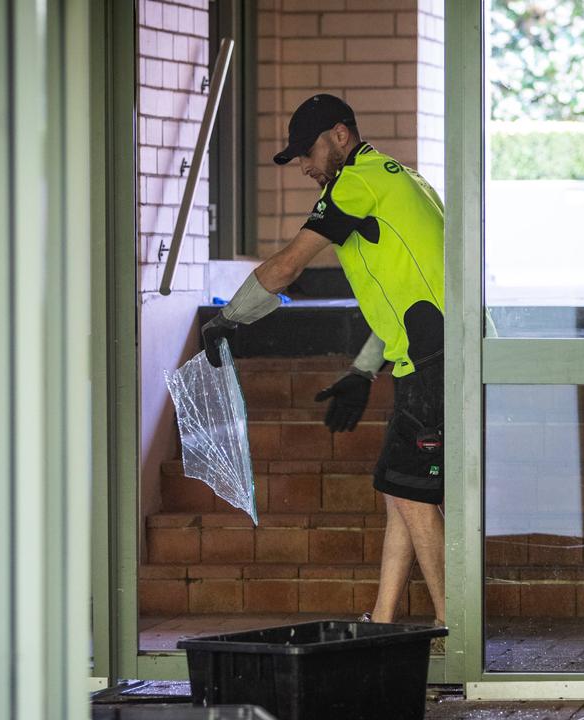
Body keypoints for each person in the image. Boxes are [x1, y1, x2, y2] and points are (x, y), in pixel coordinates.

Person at [200, 94, 447, 633]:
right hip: (427, 356)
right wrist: (363, 368)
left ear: (340, 135)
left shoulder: (357, 181)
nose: (306, 167)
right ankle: (383, 621)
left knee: (411, 493)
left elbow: (288, 266)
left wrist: (229, 319)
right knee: (399, 489)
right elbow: (411, 288)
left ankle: (455, 628)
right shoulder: (403, 178)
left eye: (307, 153)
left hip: (434, 361)